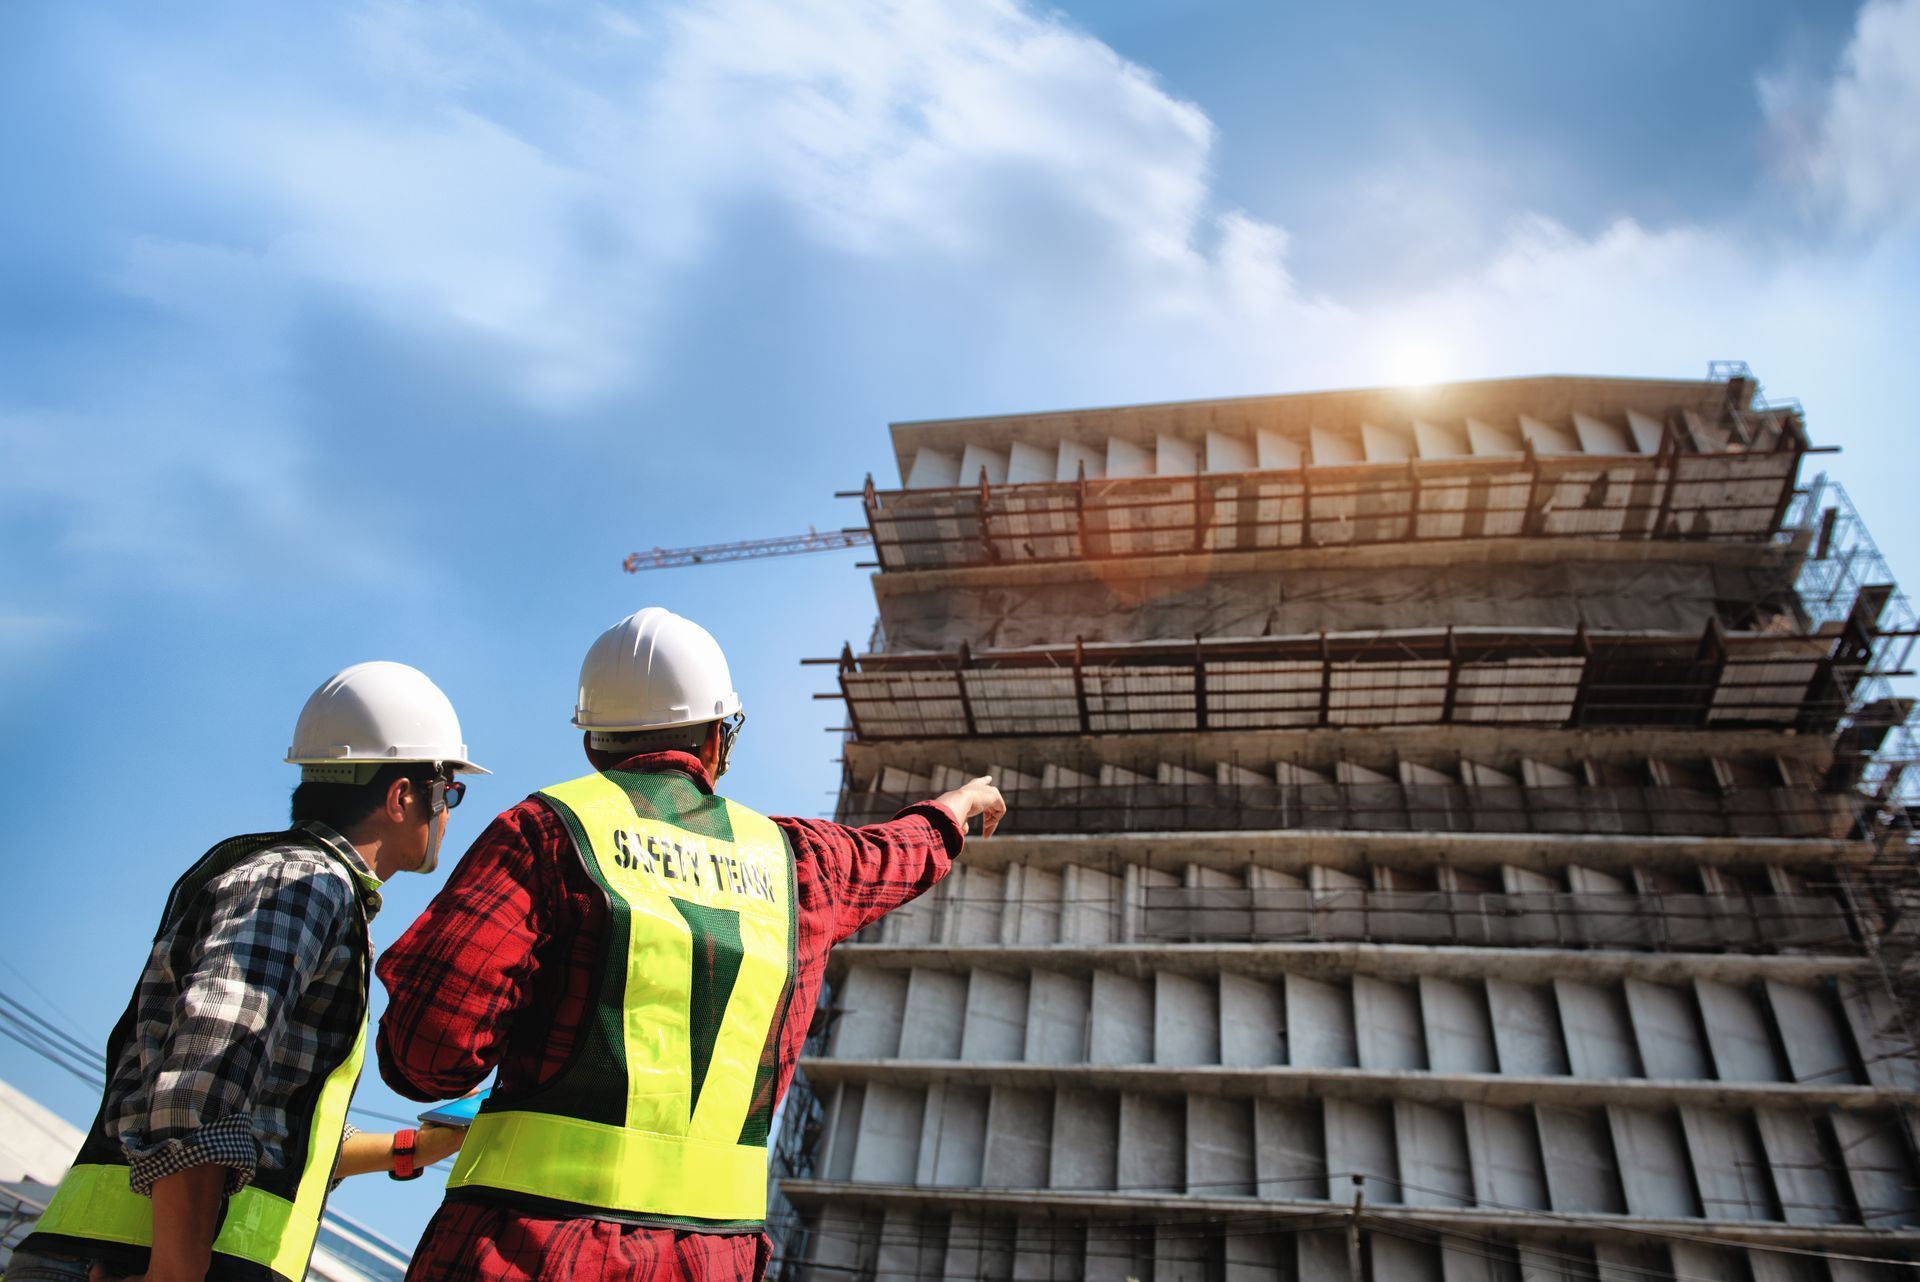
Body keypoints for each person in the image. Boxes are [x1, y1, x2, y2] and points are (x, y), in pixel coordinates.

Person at [376, 607, 1006, 1281]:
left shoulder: (547, 831)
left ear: (594, 743)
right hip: (710, 1261)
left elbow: (426, 1060)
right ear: (717, 740)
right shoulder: (798, 863)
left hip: (524, 1252)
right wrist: (960, 805)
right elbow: (891, 854)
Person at [15, 662, 489, 1282]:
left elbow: (267, 1128)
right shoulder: (305, 885)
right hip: (140, 1263)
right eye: (449, 792)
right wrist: (176, 1270)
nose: (450, 814)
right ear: (403, 796)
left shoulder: (306, 890)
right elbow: (204, 1075)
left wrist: (416, 1148)